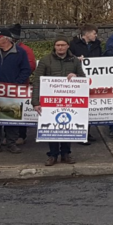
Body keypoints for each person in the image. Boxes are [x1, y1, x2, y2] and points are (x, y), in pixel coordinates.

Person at [31, 38, 86, 166]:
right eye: (57, 45)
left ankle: (66, 153)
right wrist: (35, 102)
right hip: (50, 101)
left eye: (62, 45)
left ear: (67, 46)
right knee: (52, 127)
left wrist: (76, 77)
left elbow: (83, 79)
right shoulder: (45, 60)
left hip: (69, 101)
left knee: (68, 127)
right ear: (54, 46)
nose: (60, 47)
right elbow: (37, 81)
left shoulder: (75, 61)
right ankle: (53, 154)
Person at [0, 34, 32, 155]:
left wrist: (17, 83)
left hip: (11, 91)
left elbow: (26, 69)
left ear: (6, 39)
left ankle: (11, 143)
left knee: (12, 118)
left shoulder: (20, 52)